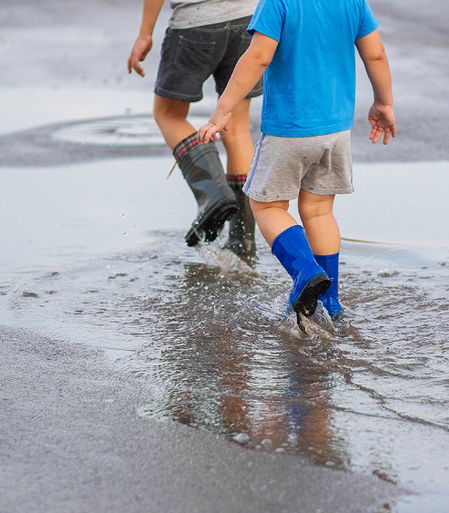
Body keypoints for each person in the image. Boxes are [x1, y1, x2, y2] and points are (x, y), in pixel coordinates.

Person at [198, 0, 395, 319]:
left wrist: (223, 110)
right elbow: (375, 53)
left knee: (267, 206)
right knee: (318, 211)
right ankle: (330, 301)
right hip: (336, 131)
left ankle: (304, 271)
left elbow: (259, 57)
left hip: (288, 130)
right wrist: (383, 103)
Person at [127, 0, 262, 262]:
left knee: (168, 114)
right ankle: (242, 243)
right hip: (248, 21)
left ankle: (213, 192)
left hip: (195, 23)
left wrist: (145, 33)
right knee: (236, 129)